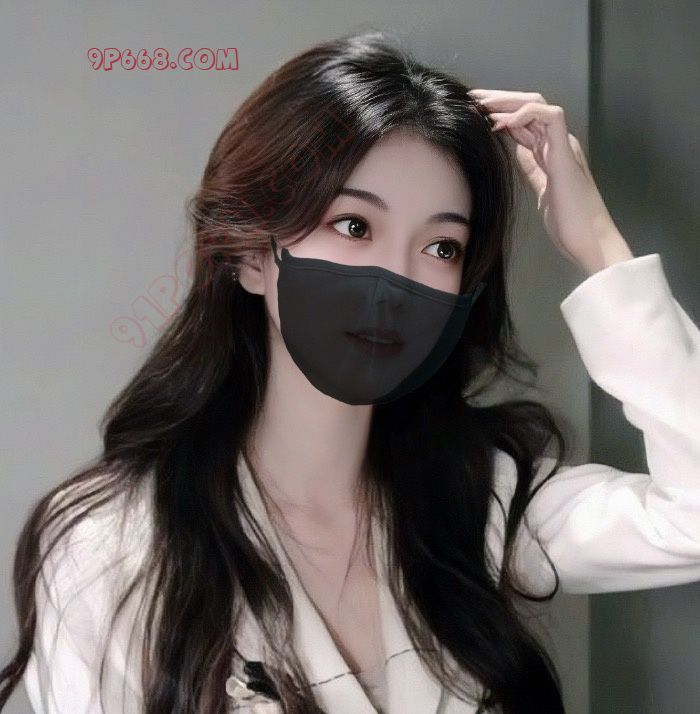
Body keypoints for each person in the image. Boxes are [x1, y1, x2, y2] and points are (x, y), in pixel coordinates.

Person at [1, 29, 698, 714]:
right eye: (355, 227)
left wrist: (599, 246)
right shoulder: (112, 545)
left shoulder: (479, 504)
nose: (396, 281)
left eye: (442, 246)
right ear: (250, 256)